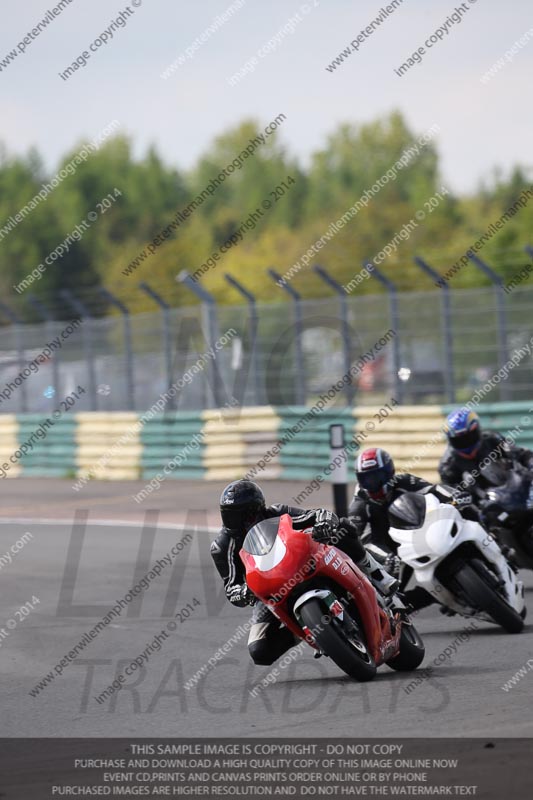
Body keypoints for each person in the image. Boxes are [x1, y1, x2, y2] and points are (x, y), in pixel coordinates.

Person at [210, 479, 400, 666]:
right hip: (268, 588)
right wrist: (243, 592)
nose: (237, 523)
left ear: (258, 510)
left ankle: (377, 574)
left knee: (343, 527)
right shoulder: (222, 547)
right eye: (230, 516)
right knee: (259, 651)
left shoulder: (276, 512)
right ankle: (309, 630)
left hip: (301, 562)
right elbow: (231, 587)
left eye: (244, 515)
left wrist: (324, 522)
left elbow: (313, 515)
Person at [347, 447, 478, 610]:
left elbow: (434, 489)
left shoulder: (403, 482)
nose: (372, 484)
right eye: (366, 479)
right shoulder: (359, 506)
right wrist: (383, 557)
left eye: (376, 477)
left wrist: (454, 496)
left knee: (465, 507)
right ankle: (420, 603)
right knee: (395, 597)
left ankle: (489, 539)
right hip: (389, 551)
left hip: (416, 536)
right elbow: (358, 541)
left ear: (388, 472)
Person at [438, 408, 533, 495]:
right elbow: (449, 494)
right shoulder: (447, 465)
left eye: (468, 437)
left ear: (477, 430)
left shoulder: (492, 439)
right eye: (458, 440)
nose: (464, 442)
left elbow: (522, 454)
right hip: (478, 507)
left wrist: (530, 464)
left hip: (512, 493)